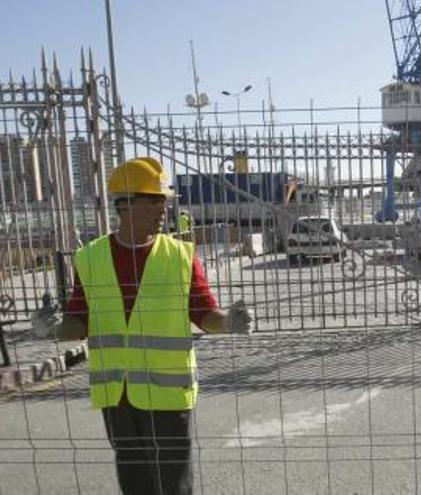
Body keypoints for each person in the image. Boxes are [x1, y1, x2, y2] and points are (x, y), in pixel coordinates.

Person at [30, 157, 254, 495]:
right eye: (153, 199)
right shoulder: (91, 258)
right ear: (125, 204)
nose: (163, 208)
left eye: (163, 200)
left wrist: (230, 323)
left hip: (168, 394)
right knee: (133, 479)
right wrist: (53, 330)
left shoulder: (180, 256)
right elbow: (79, 323)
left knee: (174, 483)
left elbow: (203, 314)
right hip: (117, 394)